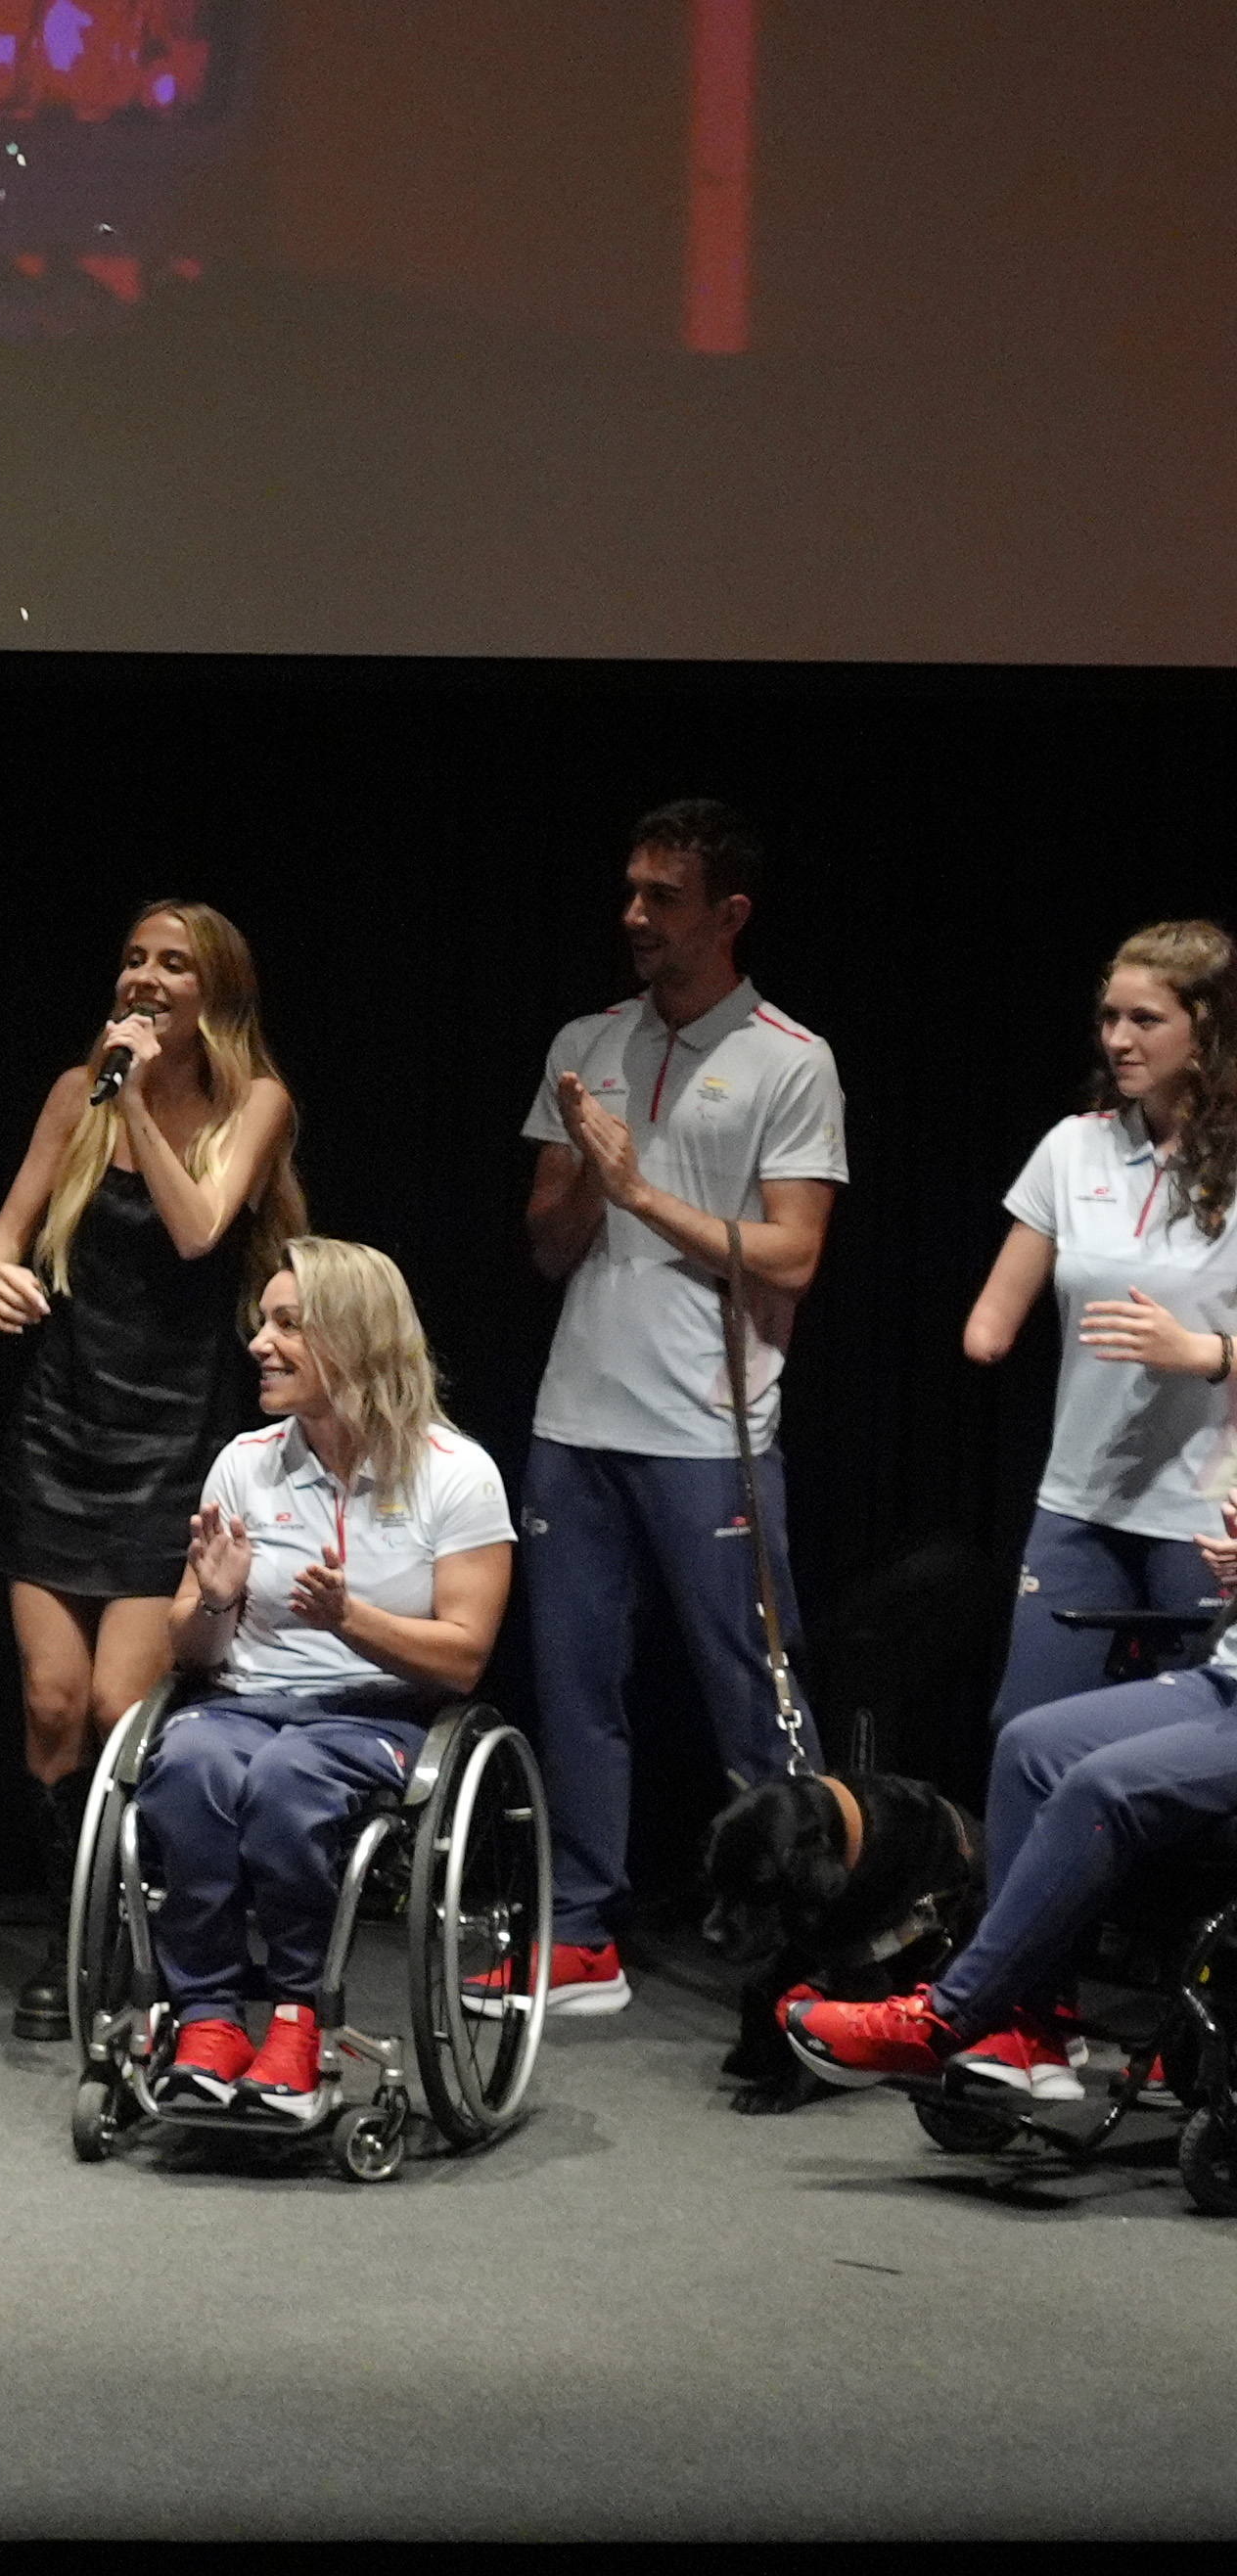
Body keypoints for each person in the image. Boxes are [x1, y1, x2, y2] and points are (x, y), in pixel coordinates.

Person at [515, 800, 845, 2013]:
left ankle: (805, 1934)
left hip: (713, 1436)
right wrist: (593, 1188)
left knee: (753, 1699)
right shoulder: (586, 1040)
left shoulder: (789, 1058)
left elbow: (794, 1253)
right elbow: (547, 1247)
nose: (635, 916)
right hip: (576, 1424)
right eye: (632, 891)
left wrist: (640, 1191)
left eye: (663, 896)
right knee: (575, 1688)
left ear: (730, 914)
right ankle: (586, 1929)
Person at [0, 899, 304, 2042]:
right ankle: (73, 1937)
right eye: (134, 960)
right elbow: (1, 1234)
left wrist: (141, 1102)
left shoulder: (253, 1106)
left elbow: (203, 1230)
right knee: (51, 1703)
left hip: (173, 1443)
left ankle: (130, 1931)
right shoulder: (77, 1097)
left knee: (121, 1705)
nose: (147, 979)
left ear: (215, 992)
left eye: (174, 965)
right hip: (61, 1433)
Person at [146, 1241, 516, 2117]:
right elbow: (188, 1650)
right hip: (246, 1701)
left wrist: (353, 1621)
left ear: (353, 1340)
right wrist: (217, 1603)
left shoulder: (457, 1476)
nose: (259, 1344)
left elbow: (463, 1655)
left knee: (287, 1782)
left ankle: (298, 2019)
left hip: (380, 1719)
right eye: (261, 1322)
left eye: (287, 1325)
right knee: (187, 1765)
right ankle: (206, 2017)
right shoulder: (247, 1462)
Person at [787, 1490, 1237, 2101]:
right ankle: (1025, 2029)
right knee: (1031, 1746)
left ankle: (950, 2013)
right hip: (1225, 1681)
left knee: (1101, 1787)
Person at [961, 921, 1237, 1725]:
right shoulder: (1072, 1149)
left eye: (1144, 1020)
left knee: (1190, 1762)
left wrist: (1203, 1351)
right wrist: (989, 1327)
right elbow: (990, 1325)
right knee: (1025, 1737)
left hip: (1207, 1518)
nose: (1118, 1039)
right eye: (1109, 1017)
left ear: (1208, 1029)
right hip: (1080, 1503)